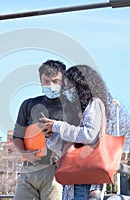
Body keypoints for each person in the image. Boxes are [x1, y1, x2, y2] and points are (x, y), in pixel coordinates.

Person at [39, 65, 109, 200]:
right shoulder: (75, 110)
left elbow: (89, 135)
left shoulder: (94, 103)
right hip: (73, 177)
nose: (68, 91)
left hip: (85, 178)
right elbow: (65, 150)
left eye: (70, 86)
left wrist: (58, 126)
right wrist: (51, 134)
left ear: (81, 85)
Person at [12, 59, 67, 200]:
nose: (51, 85)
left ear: (64, 82)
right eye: (46, 81)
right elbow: (17, 136)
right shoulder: (28, 104)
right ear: (40, 81)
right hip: (28, 169)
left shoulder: (71, 108)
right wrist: (24, 152)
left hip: (55, 170)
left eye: (55, 81)